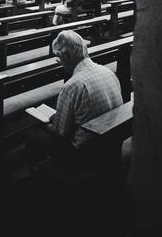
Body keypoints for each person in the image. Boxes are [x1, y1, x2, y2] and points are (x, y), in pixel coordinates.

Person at [25, 29, 123, 175]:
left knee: (32, 133)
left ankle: (43, 175)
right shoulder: (108, 72)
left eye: (58, 57)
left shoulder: (72, 86)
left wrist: (49, 124)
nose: (59, 62)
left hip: (86, 153)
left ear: (67, 55)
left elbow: (60, 132)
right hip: (111, 143)